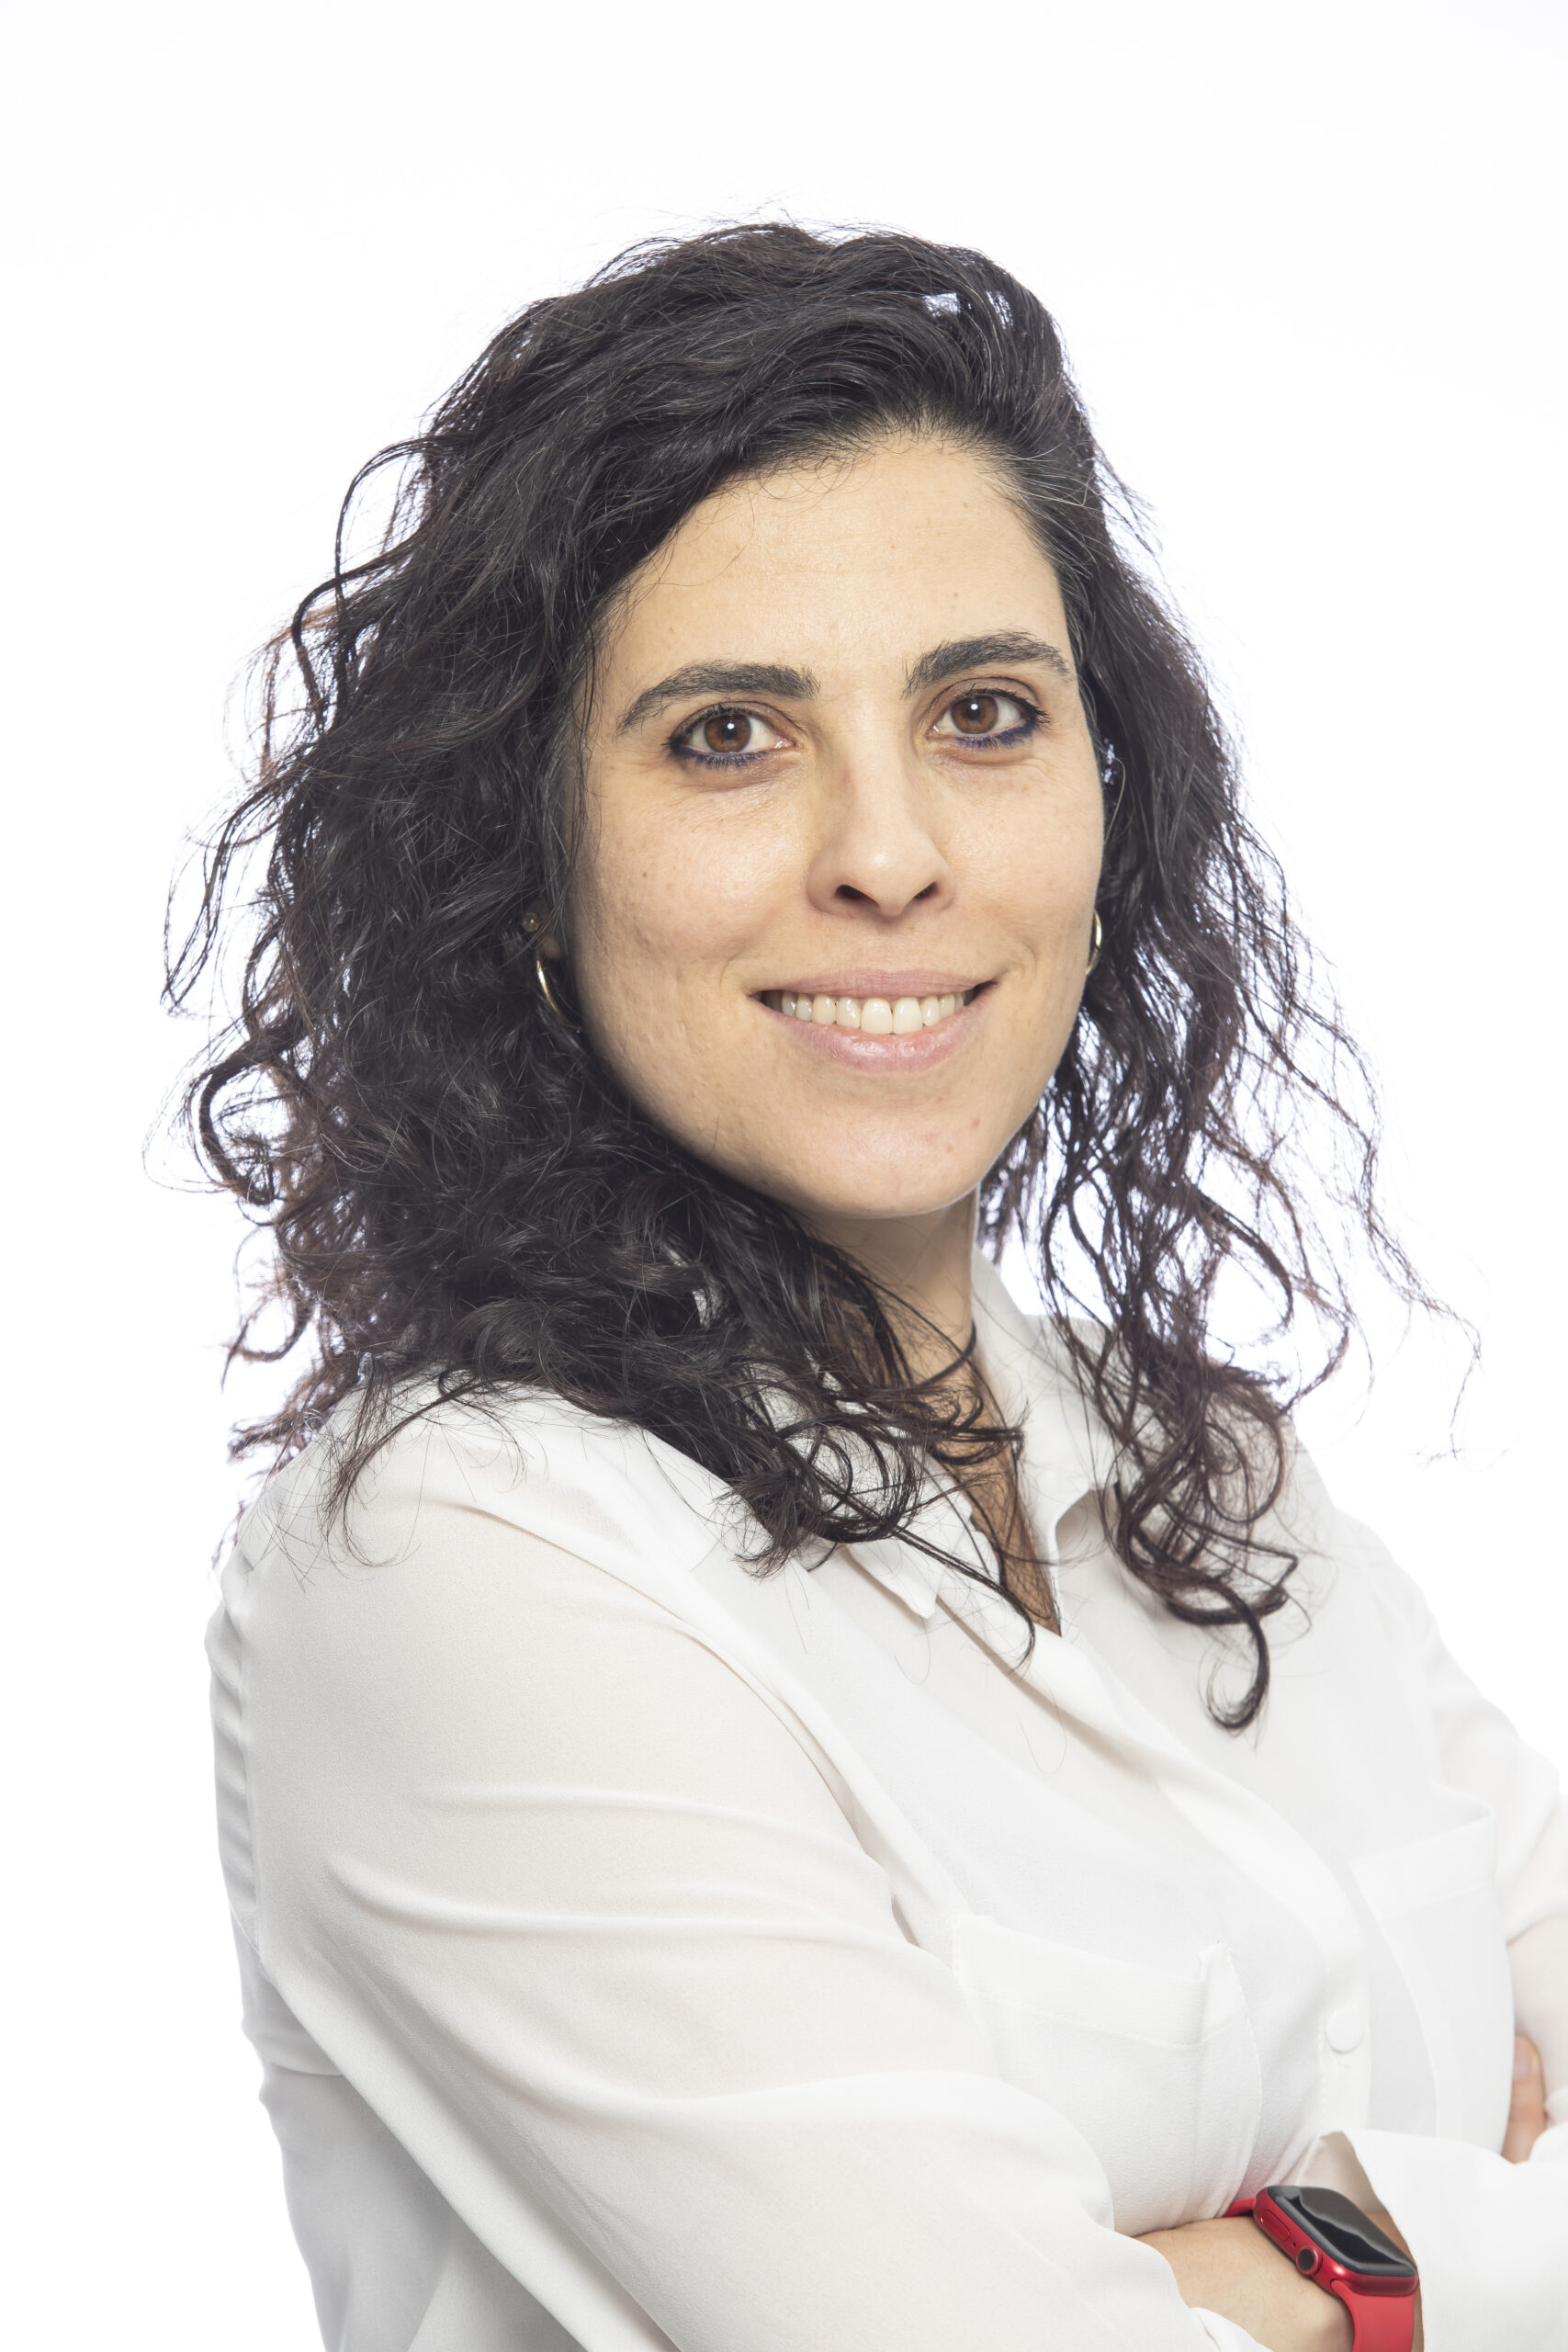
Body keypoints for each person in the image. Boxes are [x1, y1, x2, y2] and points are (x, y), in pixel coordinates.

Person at [174, 225, 1566, 2351]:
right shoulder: (458, 1559)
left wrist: (1259, 2265)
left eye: (981, 714)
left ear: (1105, 792)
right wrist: (1409, 2241)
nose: (889, 851)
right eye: (728, 734)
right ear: (530, 862)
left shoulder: (1227, 1491)